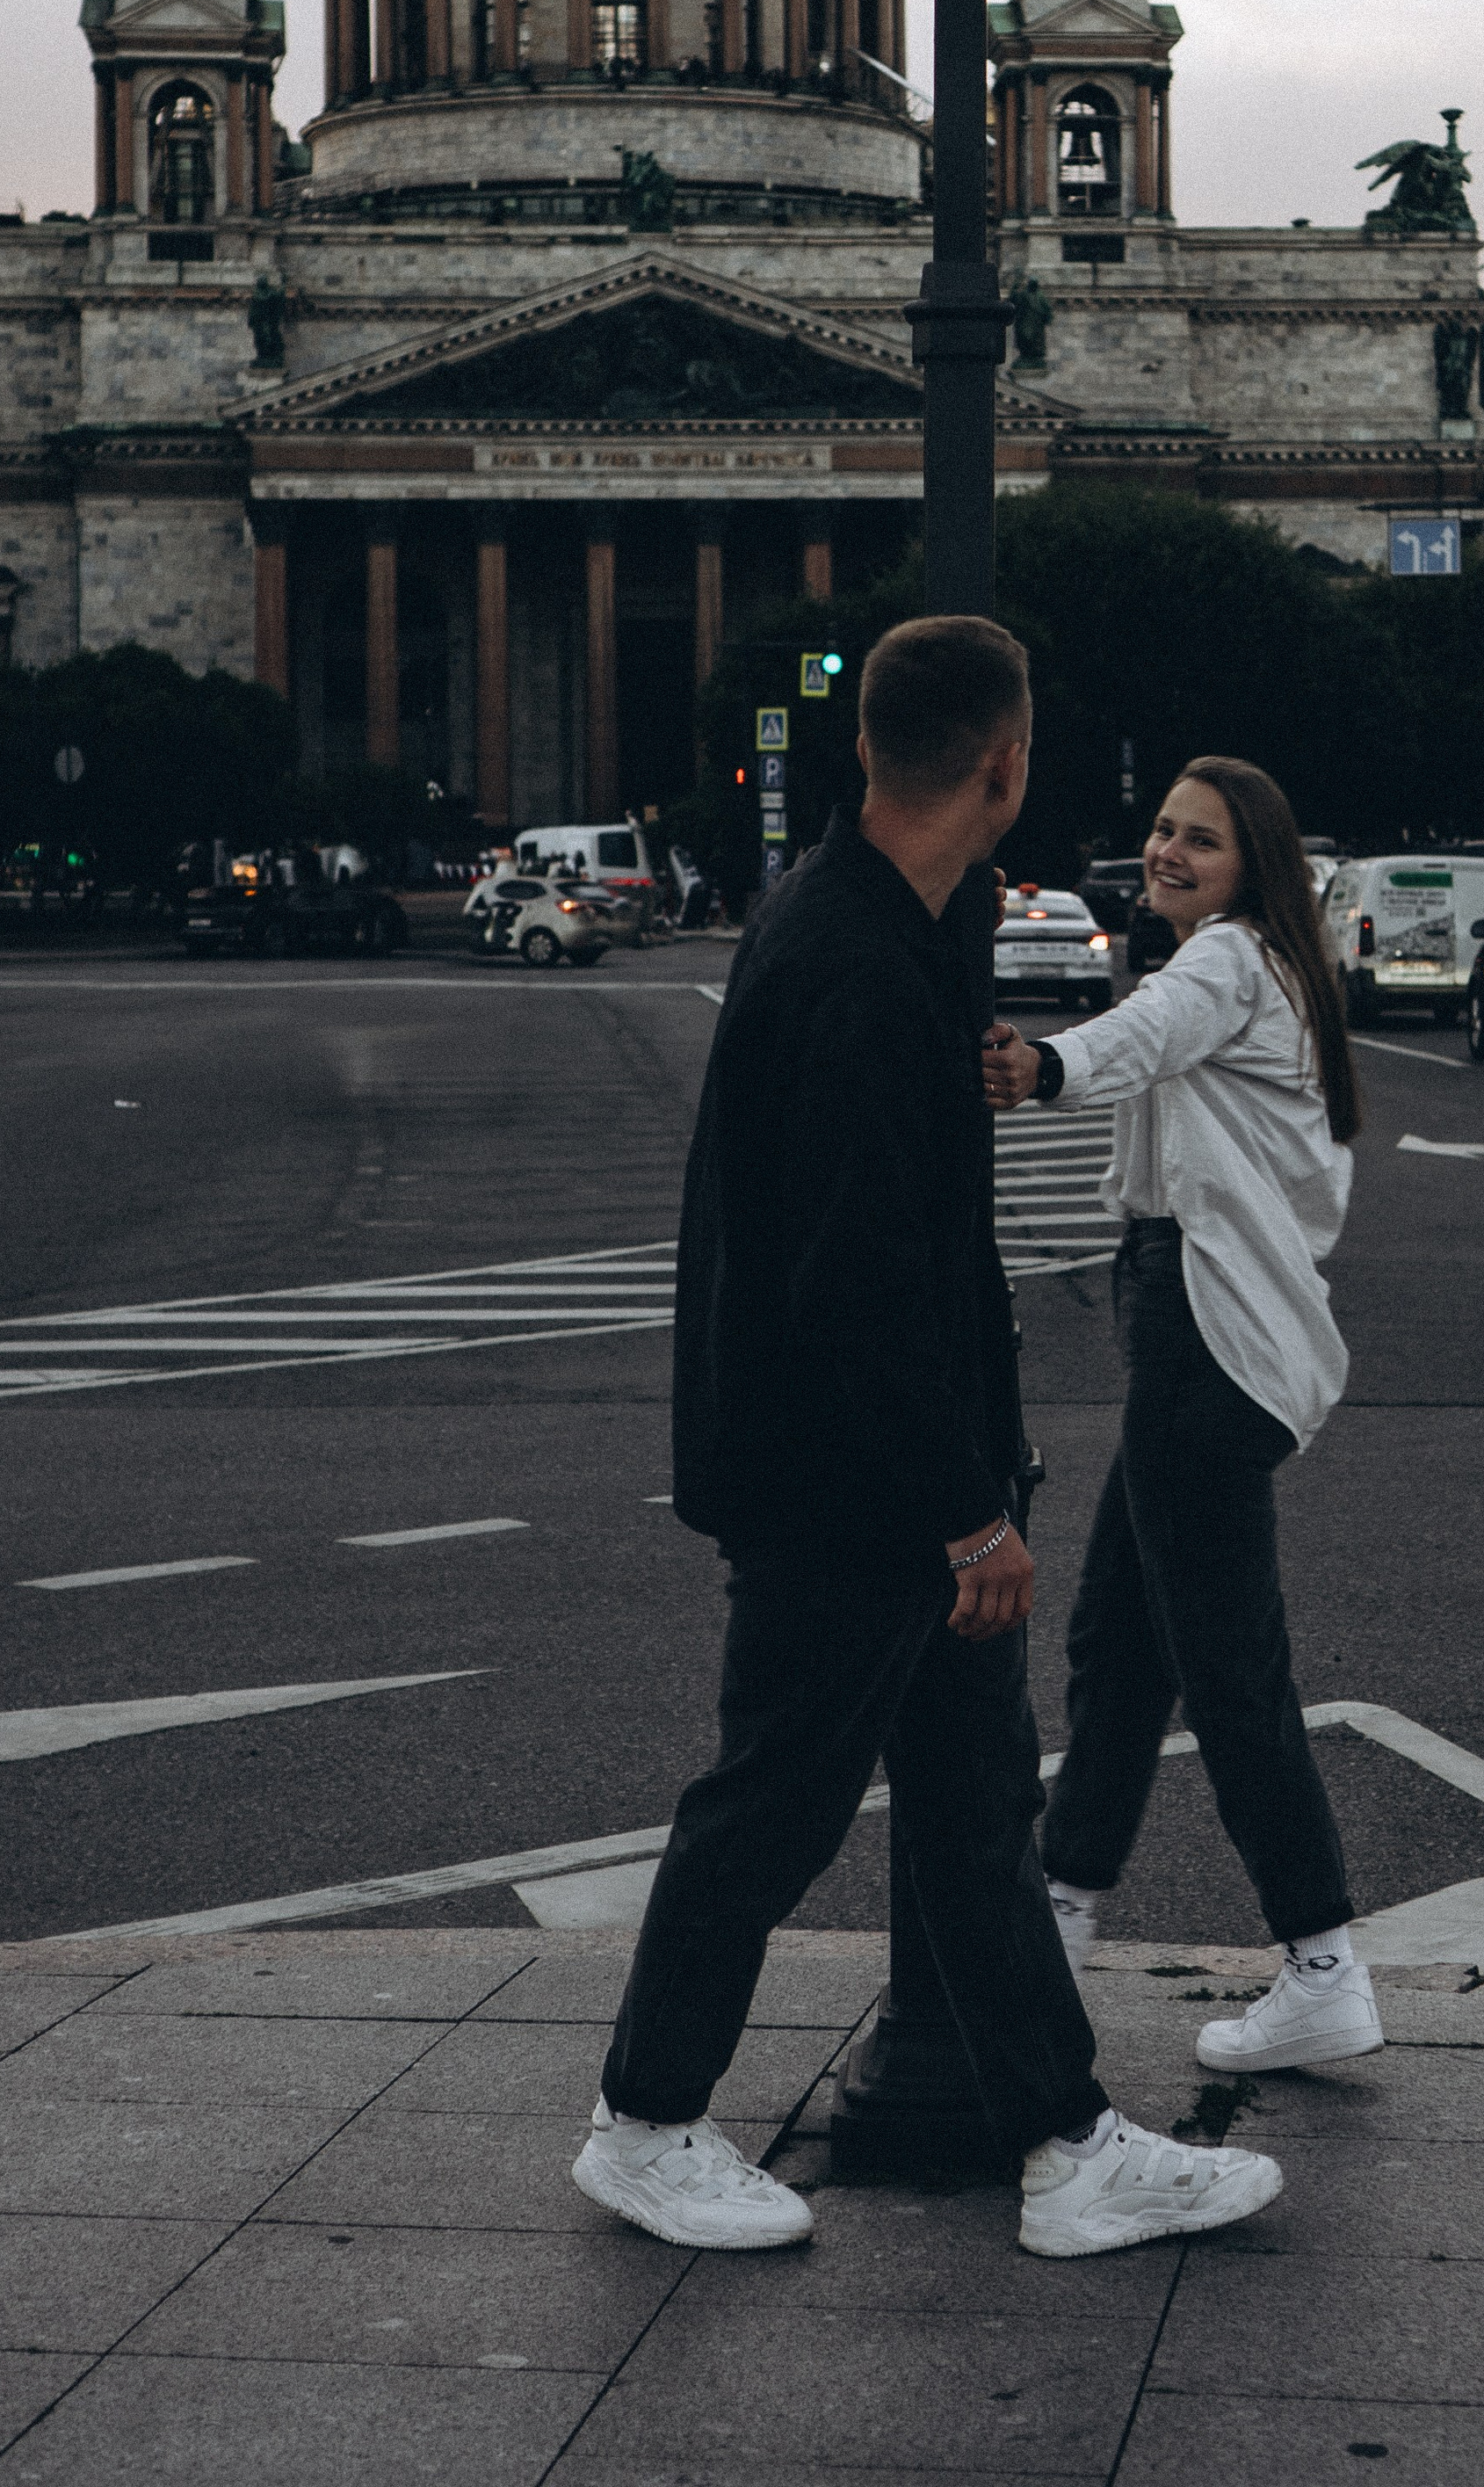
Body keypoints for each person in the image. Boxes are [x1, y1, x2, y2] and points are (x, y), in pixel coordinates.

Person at [574, 621, 1284, 2260]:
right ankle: (647, 2118)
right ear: (1005, 765)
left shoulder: (869, 920)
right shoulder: (858, 966)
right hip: (850, 1488)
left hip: (870, 1468)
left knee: (974, 1815)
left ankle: (1064, 2138)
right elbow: (860, 1287)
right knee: (769, 1802)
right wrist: (970, 1513)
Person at [983, 755, 1380, 2076]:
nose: (1167, 852)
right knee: (1121, 1638)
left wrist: (1039, 1069)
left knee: (1226, 1661)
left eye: (1199, 840)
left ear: (1249, 864)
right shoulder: (1263, 966)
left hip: (1203, 1331)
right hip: (1192, 1324)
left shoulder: (1225, 961)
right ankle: (1064, 1903)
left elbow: (1132, 1042)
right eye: (1161, 828)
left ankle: (1322, 1961)